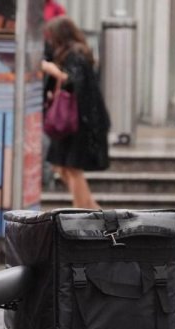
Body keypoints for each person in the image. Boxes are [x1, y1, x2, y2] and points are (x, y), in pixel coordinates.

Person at [41, 16, 110, 209]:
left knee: (72, 169)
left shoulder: (76, 55)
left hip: (78, 121)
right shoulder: (70, 53)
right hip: (73, 120)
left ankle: (82, 213)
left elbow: (73, 82)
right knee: (61, 166)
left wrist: (53, 71)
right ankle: (94, 211)